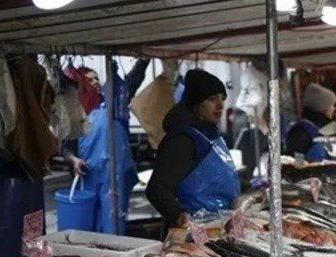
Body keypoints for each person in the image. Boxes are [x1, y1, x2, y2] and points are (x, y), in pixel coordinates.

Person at [62, 59, 150, 234]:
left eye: (96, 78)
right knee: (90, 224)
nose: (95, 82)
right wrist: (74, 160)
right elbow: (66, 148)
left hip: (116, 176)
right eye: (89, 80)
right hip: (89, 175)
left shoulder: (116, 104)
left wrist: (143, 61)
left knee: (113, 223)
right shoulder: (77, 112)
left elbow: (132, 82)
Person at [146, 69, 240, 230]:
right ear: (196, 104)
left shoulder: (211, 135)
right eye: (212, 99)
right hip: (194, 232)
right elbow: (157, 188)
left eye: (222, 98)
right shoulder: (184, 140)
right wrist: (178, 215)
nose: (220, 105)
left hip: (221, 227)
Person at [286, 82, 336, 161]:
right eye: (331, 105)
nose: (334, 108)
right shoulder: (301, 131)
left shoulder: (316, 128)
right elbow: (297, 161)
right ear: (321, 107)